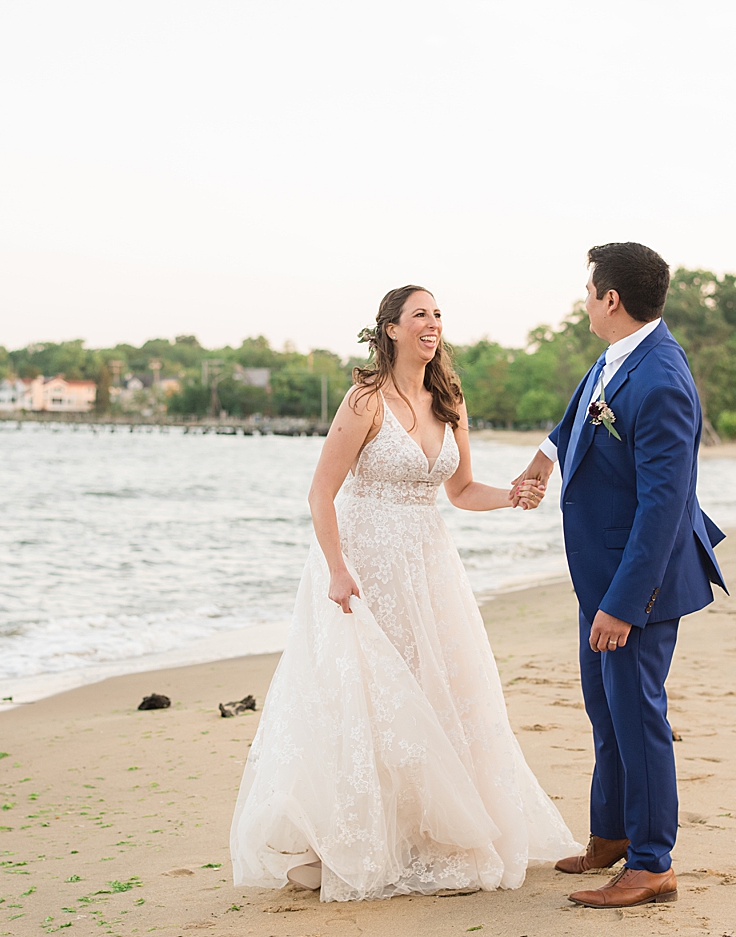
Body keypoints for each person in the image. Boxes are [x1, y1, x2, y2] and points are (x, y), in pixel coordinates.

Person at [230, 285, 581, 902]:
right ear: (390, 329)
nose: (433, 323)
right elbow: (321, 492)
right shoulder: (365, 400)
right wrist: (337, 570)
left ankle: (420, 834)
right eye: (420, 314)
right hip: (363, 565)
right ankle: (353, 836)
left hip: (428, 565)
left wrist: (513, 494)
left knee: (434, 690)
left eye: (438, 314)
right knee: (367, 699)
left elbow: (462, 490)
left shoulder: (449, 399)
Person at [511, 243, 726, 909]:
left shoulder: (662, 378)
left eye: (588, 291)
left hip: (639, 583)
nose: (583, 300)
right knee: (604, 707)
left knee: (637, 712)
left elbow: (665, 506)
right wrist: (545, 459)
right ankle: (610, 833)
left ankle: (652, 860)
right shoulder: (618, 354)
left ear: (611, 299)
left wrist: (626, 604)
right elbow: (583, 408)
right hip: (599, 573)